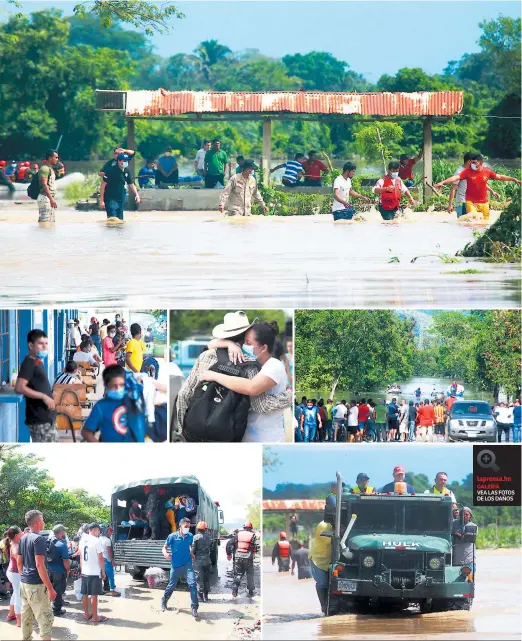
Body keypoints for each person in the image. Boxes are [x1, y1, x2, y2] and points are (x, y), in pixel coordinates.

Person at [198, 317, 292, 442]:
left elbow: (251, 388)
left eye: (248, 343)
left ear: (263, 348)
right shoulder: (249, 362)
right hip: (244, 435)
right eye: (243, 342)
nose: (243, 346)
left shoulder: (274, 365)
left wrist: (214, 376)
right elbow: (209, 345)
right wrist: (229, 344)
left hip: (267, 438)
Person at [435, 153, 520, 221]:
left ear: (480, 163)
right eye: (471, 162)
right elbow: (456, 178)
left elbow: (500, 177)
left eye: (474, 162)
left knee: (485, 224)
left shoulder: (487, 171)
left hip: (484, 203)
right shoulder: (467, 171)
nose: (472, 164)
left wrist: (513, 179)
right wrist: (443, 182)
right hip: (471, 202)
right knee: (473, 220)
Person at [18, 510, 57, 641]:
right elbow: (40, 565)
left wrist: (23, 577)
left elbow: (19, 561)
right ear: (37, 522)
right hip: (36, 585)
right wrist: (50, 588)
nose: (44, 522)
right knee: (45, 620)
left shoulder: (23, 538)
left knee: (26, 618)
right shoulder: (39, 539)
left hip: (24, 584)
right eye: (42, 519)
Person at [82, 364, 144, 443]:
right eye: (114, 386)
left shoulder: (135, 401)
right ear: (106, 385)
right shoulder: (101, 406)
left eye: (122, 385)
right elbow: (86, 432)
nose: (118, 389)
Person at [15, 329, 57, 443]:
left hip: (46, 417)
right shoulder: (29, 363)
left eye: (46, 343)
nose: (44, 347)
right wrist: (44, 396)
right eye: (40, 344)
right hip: (39, 419)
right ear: (30, 345)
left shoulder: (37, 361)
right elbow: (19, 387)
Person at [161, 517, 198, 618]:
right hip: (176, 564)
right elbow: (164, 547)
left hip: (187, 564)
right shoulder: (172, 536)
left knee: (193, 584)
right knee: (172, 585)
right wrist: (165, 553)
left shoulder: (190, 536)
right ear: (180, 526)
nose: (188, 529)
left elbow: (189, 546)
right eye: (186, 527)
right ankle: (164, 600)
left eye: (189, 527)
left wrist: (191, 553)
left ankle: (194, 607)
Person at [447, 152, 498, 218]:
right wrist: (450, 204)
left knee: (474, 222)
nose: (475, 164)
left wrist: (492, 191)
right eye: (473, 162)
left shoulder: (473, 171)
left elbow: (481, 184)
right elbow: (453, 189)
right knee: (463, 223)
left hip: (472, 202)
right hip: (462, 202)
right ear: (469, 161)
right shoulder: (459, 172)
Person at [100, 152, 140, 220]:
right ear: (119, 161)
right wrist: (101, 200)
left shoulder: (127, 171)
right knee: (112, 219)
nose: (125, 162)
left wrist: (137, 195)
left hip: (121, 198)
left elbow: (131, 184)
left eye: (126, 161)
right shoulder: (111, 171)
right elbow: (103, 185)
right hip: (110, 198)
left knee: (120, 220)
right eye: (124, 161)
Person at [79, 523, 107, 623]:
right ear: (94, 530)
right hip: (94, 572)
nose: (99, 532)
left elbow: (81, 557)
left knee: (85, 594)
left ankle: (86, 614)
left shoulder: (82, 541)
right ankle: (95, 617)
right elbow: (100, 557)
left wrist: (82, 570)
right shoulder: (96, 541)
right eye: (99, 530)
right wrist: (103, 571)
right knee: (94, 595)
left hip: (85, 572)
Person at [226, 521, 257, 598]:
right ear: (251, 528)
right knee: (250, 574)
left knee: (238, 574)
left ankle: (234, 590)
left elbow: (229, 544)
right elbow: (254, 548)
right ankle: (250, 591)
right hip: (248, 558)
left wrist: (229, 554)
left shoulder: (238, 535)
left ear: (244, 528)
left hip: (238, 557)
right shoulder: (253, 535)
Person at [46, 524, 70, 617]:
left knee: (49, 589)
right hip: (59, 572)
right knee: (58, 591)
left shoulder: (48, 541)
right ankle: (56, 610)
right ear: (61, 532)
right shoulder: (62, 544)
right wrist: (68, 570)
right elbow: (66, 561)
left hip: (49, 570)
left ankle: (48, 608)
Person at [310, 519, 333, 615]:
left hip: (331, 559)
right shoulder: (323, 525)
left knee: (331, 585)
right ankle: (323, 606)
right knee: (322, 583)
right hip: (319, 559)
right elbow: (328, 541)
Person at [3, 526, 22, 627]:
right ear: (16, 535)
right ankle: (19, 622)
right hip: (15, 573)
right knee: (19, 595)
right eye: (21, 532)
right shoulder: (16, 546)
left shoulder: (13, 543)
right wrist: (22, 574)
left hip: (12, 572)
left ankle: (11, 614)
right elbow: (19, 561)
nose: (22, 533)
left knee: (15, 593)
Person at [191, 521, 212, 603]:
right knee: (206, 580)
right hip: (207, 561)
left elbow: (193, 550)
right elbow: (211, 547)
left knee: (199, 580)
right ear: (205, 529)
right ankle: (206, 597)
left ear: (198, 529)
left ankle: (201, 598)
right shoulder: (209, 537)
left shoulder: (195, 537)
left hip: (198, 562)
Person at [37, 149, 59, 223]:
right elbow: (44, 184)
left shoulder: (50, 169)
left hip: (49, 199)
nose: (57, 159)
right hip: (45, 199)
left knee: (51, 222)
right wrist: (51, 199)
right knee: (44, 222)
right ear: (50, 158)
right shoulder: (44, 169)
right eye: (55, 157)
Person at [99, 525, 120, 596]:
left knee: (102, 575)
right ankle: (113, 591)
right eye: (109, 531)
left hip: (100, 559)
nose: (110, 533)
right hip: (107, 560)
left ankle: (103, 589)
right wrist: (112, 560)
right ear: (106, 531)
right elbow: (109, 552)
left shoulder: (99, 539)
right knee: (111, 576)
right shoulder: (107, 540)